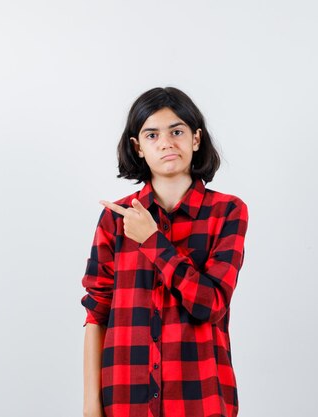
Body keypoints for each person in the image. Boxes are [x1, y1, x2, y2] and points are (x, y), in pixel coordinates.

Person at [81, 87, 249, 417]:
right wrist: (91, 407)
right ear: (137, 147)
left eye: (177, 131)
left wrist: (152, 242)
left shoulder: (227, 212)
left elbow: (210, 305)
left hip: (200, 400)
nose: (166, 143)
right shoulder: (116, 219)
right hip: (125, 401)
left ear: (196, 139)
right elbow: (97, 313)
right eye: (152, 134)